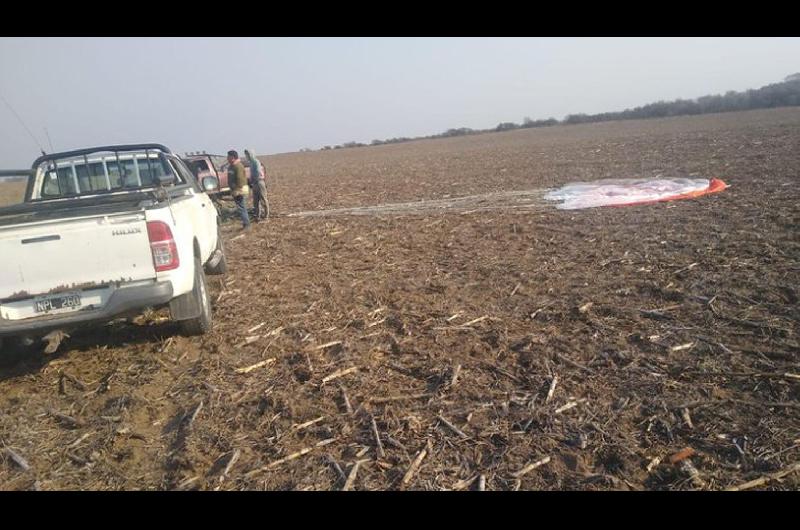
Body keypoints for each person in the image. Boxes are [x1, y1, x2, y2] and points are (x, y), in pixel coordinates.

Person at [226, 150, 250, 230]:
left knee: (242, 207)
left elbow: (240, 179)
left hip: (239, 190)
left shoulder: (238, 166)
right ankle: (245, 223)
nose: (227, 158)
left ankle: (247, 225)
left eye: (228, 157)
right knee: (241, 207)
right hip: (235, 190)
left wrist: (236, 190)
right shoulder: (231, 166)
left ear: (233, 157)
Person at [244, 148, 268, 221]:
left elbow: (258, 172)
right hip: (254, 183)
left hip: (259, 182)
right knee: (255, 201)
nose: (246, 156)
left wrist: (253, 178)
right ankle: (257, 216)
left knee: (263, 199)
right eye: (246, 155)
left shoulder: (256, 162)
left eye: (247, 154)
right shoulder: (251, 163)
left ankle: (266, 215)